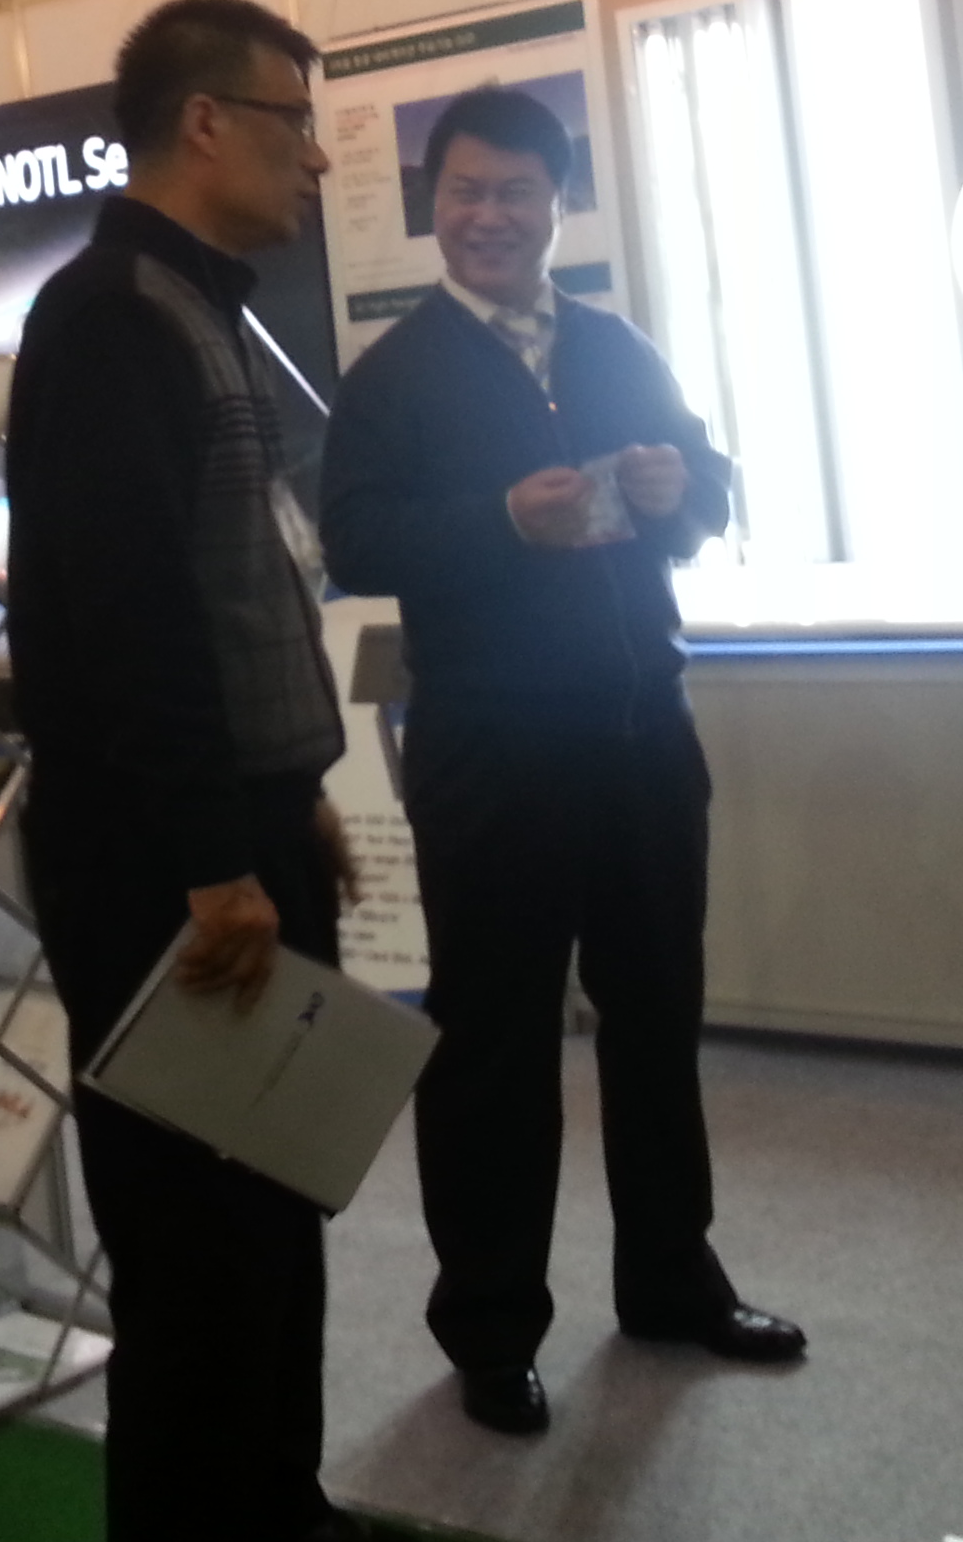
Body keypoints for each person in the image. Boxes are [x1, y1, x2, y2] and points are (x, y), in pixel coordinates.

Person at [321, 85, 803, 1440]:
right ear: (434, 206)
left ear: (558, 204)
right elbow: (354, 541)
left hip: (645, 732)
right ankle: (490, 1327)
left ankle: (671, 1280)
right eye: (466, 194)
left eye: (516, 193)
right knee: (492, 1044)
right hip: (490, 749)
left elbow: (708, 483)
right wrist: (496, 523)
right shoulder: (394, 373)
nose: (489, 217)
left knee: (657, 1017)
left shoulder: (614, 344)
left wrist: (680, 495)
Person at [7, 0, 367, 1542]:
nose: (319, 159)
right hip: (161, 864)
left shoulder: (196, 305)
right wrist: (218, 858)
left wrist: (292, 798)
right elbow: (131, 616)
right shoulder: (109, 316)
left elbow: (232, 596)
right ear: (207, 123)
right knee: (196, 1251)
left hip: (238, 829)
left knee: (275, 1208)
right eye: (296, 122)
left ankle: (280, 1507)